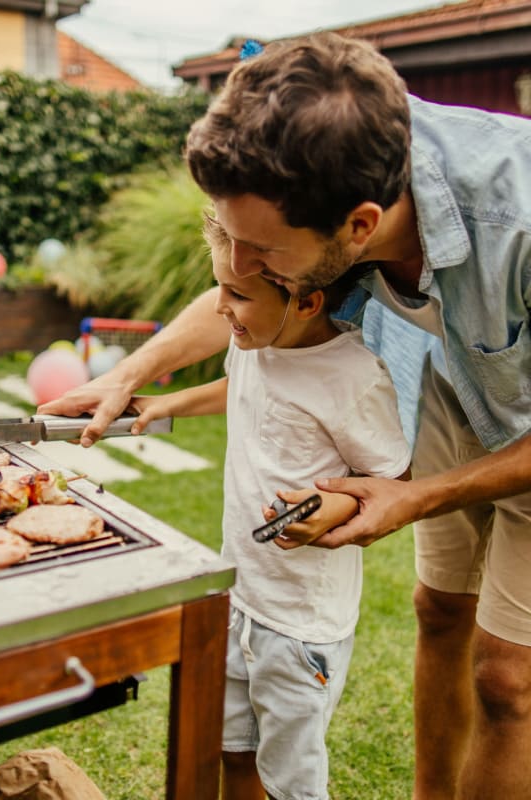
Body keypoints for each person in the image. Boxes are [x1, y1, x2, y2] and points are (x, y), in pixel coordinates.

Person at [38, 32, 531, 800]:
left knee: (507, 680)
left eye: (259, 252)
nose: (236, 269)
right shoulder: (328, 170)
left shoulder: (518, 219)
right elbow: (245, 293)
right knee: (439, 610)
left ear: (360, 227)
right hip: (457, 381)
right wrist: (130, 373)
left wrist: (415, 494)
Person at [130, 213, 411, 800]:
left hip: (300, 624)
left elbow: (391, 476)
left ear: (305, 301)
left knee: (291, 783)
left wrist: (331, 511)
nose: (221, 307)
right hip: (239, 596)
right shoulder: (255, 343)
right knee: (234, 752)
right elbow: (241, 388)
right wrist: (166, 401)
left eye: (236, 294)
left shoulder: (354, 377)